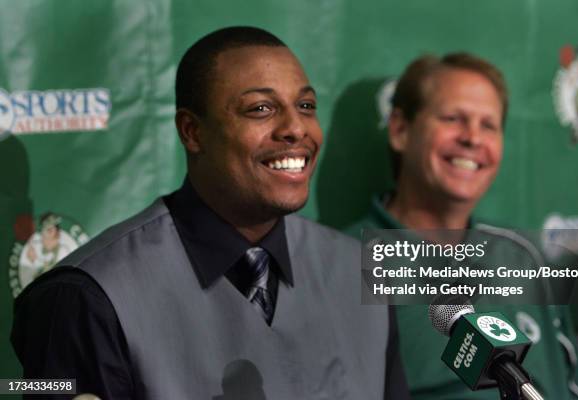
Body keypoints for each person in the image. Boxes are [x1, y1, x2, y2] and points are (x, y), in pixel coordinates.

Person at [11, 27, 409, 400]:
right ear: (192, 132)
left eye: (305, 105)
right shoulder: (86, 298)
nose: (295, 128)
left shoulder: (360, 272)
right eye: (261, 108)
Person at [347, 53, 578, 399]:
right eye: (453, 118)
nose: (472, 138)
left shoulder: (521, 257)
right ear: (400, 130)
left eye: (488, 125)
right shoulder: (343, 264)